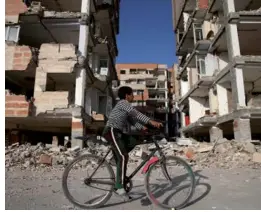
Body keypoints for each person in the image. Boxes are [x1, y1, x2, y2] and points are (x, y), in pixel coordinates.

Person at [103, 86, 163, 201]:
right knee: (123, 156)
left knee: (135, 140)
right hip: (111, 131)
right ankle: (119, 187)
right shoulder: (123, 103)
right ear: (127, 95)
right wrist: (151, 121)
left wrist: (143, 129)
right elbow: (136, 114)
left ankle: (115, 159)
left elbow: (133, 120)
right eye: (132, 94)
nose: (133, 97)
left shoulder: (125, 107)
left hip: (117, 132)